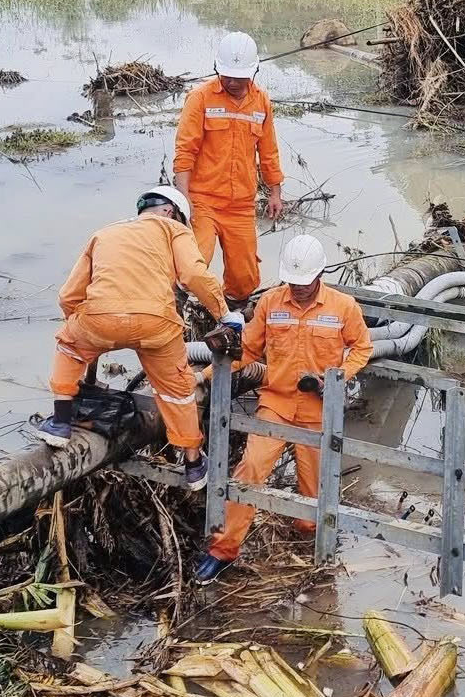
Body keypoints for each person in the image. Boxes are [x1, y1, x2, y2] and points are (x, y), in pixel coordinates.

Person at [194, 234, 370, 582]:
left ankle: (308, 534)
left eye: (304, 283)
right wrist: (207, 374)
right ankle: (222, 549)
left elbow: (362, 348)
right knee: (251, 470)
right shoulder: (271, 303)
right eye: (293, 282)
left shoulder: (343, 307)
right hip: (276, 401)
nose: (299, 288)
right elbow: (248, 349)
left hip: (317, 407)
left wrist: (335, 379)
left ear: (320, 274)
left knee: (315, 486)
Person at [46, 185, 241, 490]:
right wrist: (224, 314)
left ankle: (59, 423)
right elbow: (193, 275)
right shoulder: (173, 230)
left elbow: (69, 294)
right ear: (169, 211)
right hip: (156, 322)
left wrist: (81, 329)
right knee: (177, 387)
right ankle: (192, 464)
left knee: (68, 346)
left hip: (101, 317)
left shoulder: (104, 234)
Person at [174, 31, 285, 305]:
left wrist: (275, 192)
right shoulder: (200, 98)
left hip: (241, 206)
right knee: (192, 266)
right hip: (203, 201)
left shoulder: (261, 103)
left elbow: (268, 151)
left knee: (244, 279)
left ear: (254, 71)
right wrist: (183, 199)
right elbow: (185, 150)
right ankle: (177, 311)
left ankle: (230, 315)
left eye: (240, 76)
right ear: (217, 69)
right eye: (228, 75)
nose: (233, 82)